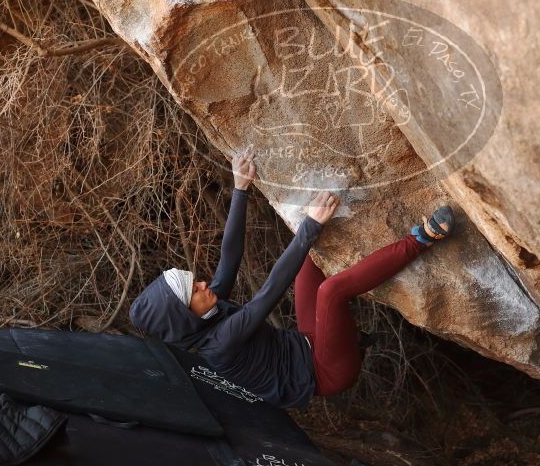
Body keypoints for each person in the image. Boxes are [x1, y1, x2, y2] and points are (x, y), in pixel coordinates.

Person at [129, 149, 455, 409]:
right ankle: (421, 240)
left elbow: (230, 257)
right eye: (193, 292)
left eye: (195, 282)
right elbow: (269, 292)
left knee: (307, 266)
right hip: (325, 372)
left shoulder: (207, 313)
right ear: (186, 317)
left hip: (306, 342)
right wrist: (309, 226)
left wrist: (240, 188)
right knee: (331, 292)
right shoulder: (219, 344)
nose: (201, 284)